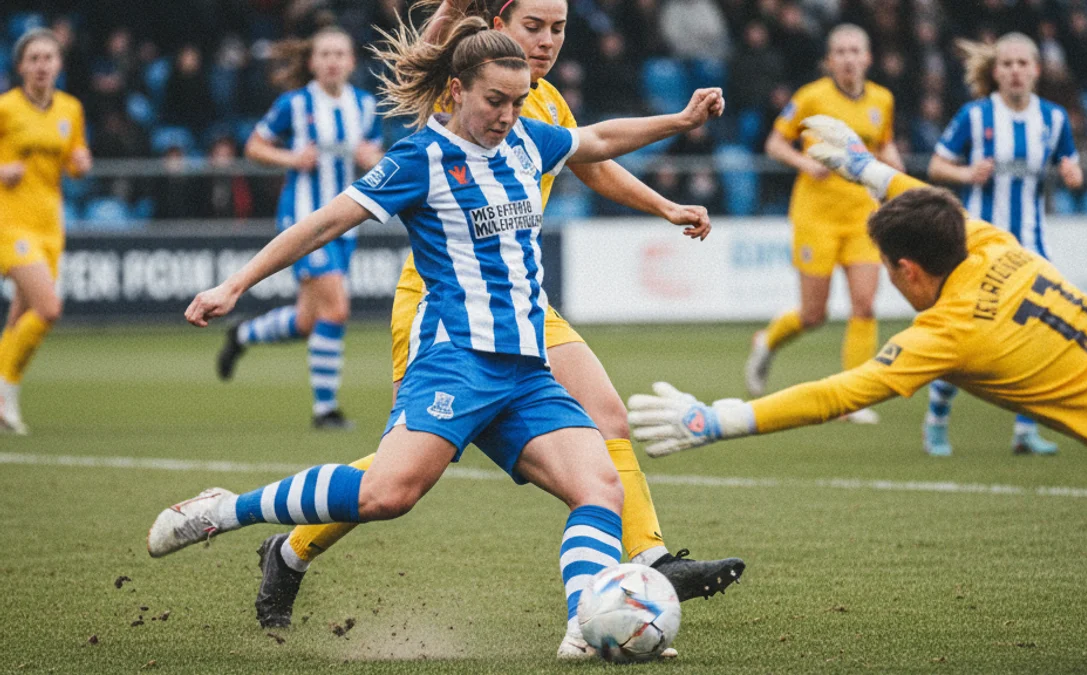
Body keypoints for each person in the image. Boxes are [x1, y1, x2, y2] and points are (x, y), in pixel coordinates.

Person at [147, 15, 726, 661]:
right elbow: (322, 224)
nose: (508, 114)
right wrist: (236, 284)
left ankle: (586, 621)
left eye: (517, 101)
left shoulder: (530, 141)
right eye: (495, 101)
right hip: (454, 362)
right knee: (387, 494)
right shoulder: (420, 159)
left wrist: (678, 122)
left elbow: (596, 140)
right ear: (456, 92)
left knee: (599, 488)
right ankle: (228, 509)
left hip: (527, 370)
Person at [627, 115, 1087, 549]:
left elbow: (837, 394)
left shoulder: (949, 332)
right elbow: (934, 203)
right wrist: (863, 166)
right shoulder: (993, 242)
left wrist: (714, 420)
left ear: (907, 270)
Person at [925, 33, 1084, 457]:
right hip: (977, 246)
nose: (1015, 70)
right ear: (995, 72)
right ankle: (937, 419)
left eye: (1022, 63)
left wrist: (1072, 175)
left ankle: (1025, 430)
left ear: (1036, 69)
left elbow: (1073, 167)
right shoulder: (975, 116)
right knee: (963, 339)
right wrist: (966, 174)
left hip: (1031, 247)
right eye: (1007, 64)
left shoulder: (1053, 119)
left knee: (1038, 337)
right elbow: (937, 165)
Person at [217, 26, 384, 430]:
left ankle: (243, 335)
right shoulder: (294, 104)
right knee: (338, 308)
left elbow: (377, 155)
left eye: (339, 54)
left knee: (308, 321)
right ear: (312, 62)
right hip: (304, 219)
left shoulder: (364, 106)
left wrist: (370, 157)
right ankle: (325, 410)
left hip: (347, 222)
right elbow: (254, 146)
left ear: (351, 62)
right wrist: (292, 159)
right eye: (324, 53)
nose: (332, 61)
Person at [745, 24, 904, 425]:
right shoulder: (811, 97)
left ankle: (854, 400)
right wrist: (804, 163)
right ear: (830, 60)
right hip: (815, 215)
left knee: (864, 305)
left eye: (856, 51)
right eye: (842, 52)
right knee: (814, 314)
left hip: (863, 216)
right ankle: (768, 340)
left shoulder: (882, 100)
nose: (849, 58)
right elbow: (774, 143)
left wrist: (901, 185)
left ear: (868, 58)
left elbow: (884, 145)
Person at [0, 29, 92, 434]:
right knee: (49, 309)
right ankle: (4, 391)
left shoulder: (70, 109)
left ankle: (5, 400)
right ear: (20, 66)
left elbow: (74, 160)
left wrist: (81, 163)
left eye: (48, 58)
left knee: (19, 320)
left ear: (59, 64)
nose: (41, 66)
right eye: (33, 58)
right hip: (9, 222)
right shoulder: (6, 109)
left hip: (50, 226)